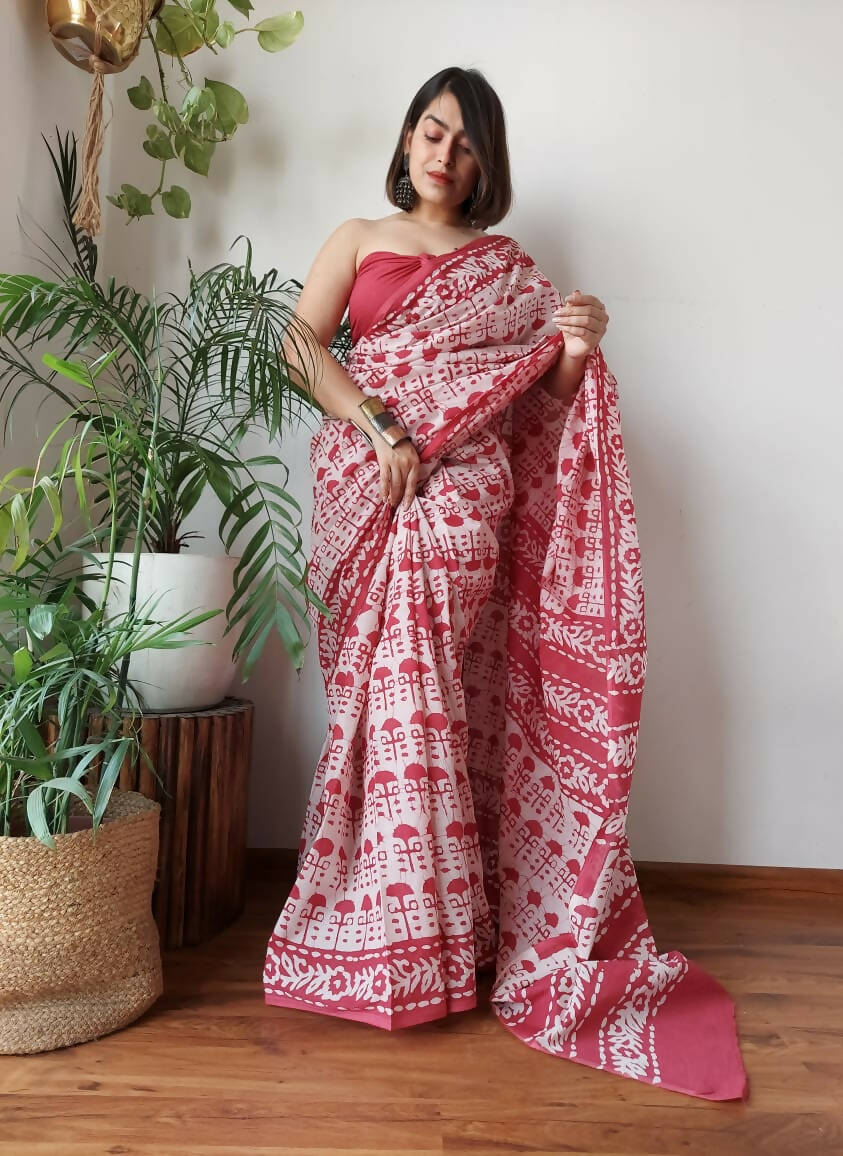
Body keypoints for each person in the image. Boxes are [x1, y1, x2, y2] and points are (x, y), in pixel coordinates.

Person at [263, 66, 747, 1103]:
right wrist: (385, 427)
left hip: (464, 493)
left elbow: (541, 401)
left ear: (487, 166)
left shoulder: (507, 270)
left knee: (430, 696)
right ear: (404, 140)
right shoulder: (355, 238)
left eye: (466, 144)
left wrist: (574, 346)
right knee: (379, 699)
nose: (444, 154)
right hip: (365, 480)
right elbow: (301, 346)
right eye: (431, 132)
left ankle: (430, 945)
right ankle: (387, 927)